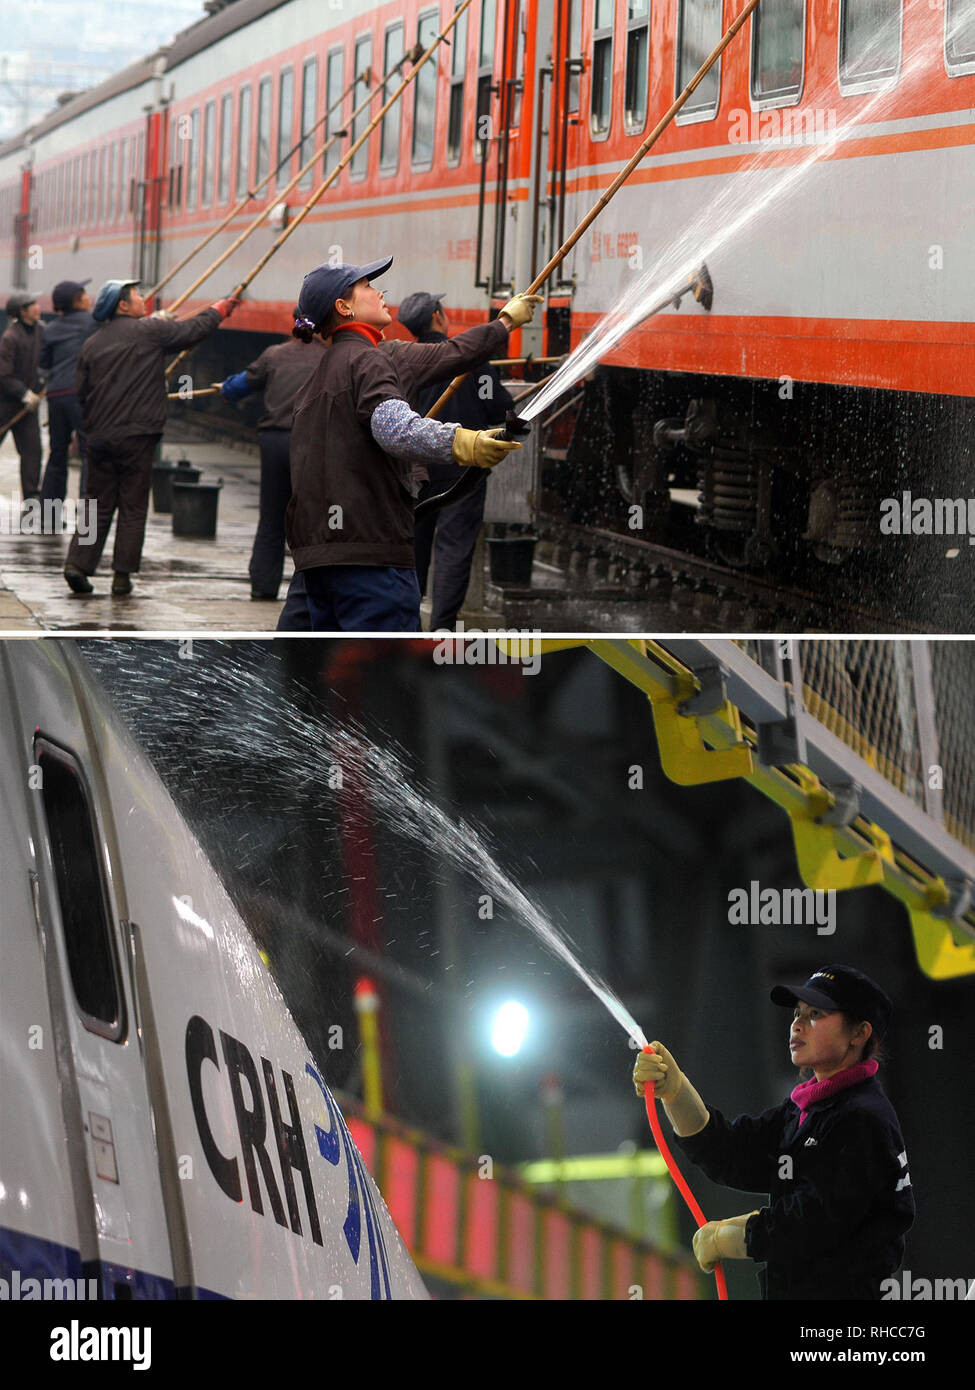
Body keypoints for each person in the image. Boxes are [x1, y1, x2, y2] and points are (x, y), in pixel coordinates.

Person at [285, 254, 540, 631]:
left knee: (326, 678)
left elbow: (452, 355)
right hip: (371, 565)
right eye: (367, 287)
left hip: (317, 563)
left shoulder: (322, 374)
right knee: (387, 680)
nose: (379, 291)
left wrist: (503, 324)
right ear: (344, 306)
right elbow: (395, 429)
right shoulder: (369, 363)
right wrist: (463, 442)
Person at [632, 965, 914, 1300]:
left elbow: (812, 1223)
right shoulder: (805, 1110)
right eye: (798, 1013)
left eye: (816, 1014)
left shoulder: (863, 1119)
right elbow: (731, 1152)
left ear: (859, 1033)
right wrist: (676, 1092)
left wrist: (729, 1237)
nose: (796, 1024)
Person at [64, 279, 240, 596]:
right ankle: (121, 576)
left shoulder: (93, 344)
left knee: (96, 504)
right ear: (122, 305)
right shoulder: (149, 332)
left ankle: (77, 564)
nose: (143, 299)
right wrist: (220, 309)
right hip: (137, 435)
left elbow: (82, 393)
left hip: (100, 437)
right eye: (137, 296)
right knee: (133, 505)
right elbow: (193, 331)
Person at [401, 290, 514, 631]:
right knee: (453, 548)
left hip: (415, 469)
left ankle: (406, 623)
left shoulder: (404, 360)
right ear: (438, 316)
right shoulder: (471, 362)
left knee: (411, 548)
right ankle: (442, 628)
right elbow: (500, 409)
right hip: (462, 471)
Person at [220, 318, 325, 601]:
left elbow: (237, 387)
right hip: (311, 447)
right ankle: (311, 590)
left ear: (293, 325)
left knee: (271, 517)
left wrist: (225, 387)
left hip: (274, 444)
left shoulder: (274, 354)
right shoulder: (329, 358)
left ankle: (263, 586)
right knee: (312, 520)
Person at [39, 280, 96, 506]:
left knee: (57, 454)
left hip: (55, 396)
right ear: (76, 300)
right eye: (84, 294)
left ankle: (49, 513)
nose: (88, 298)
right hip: (81, 396)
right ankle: (86, 513)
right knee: (88, 454)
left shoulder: (50, 329)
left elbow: (43, 366)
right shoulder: (93, 323)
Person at [0, 291, 45, 501]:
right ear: (22, 311)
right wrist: (23, 393)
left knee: (32, 453)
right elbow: (4, 374)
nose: (37, 307)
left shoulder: (42, 331)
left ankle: (32, 498)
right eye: (32, 305)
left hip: (28, 407)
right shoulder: (10, 337)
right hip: (6, 405)